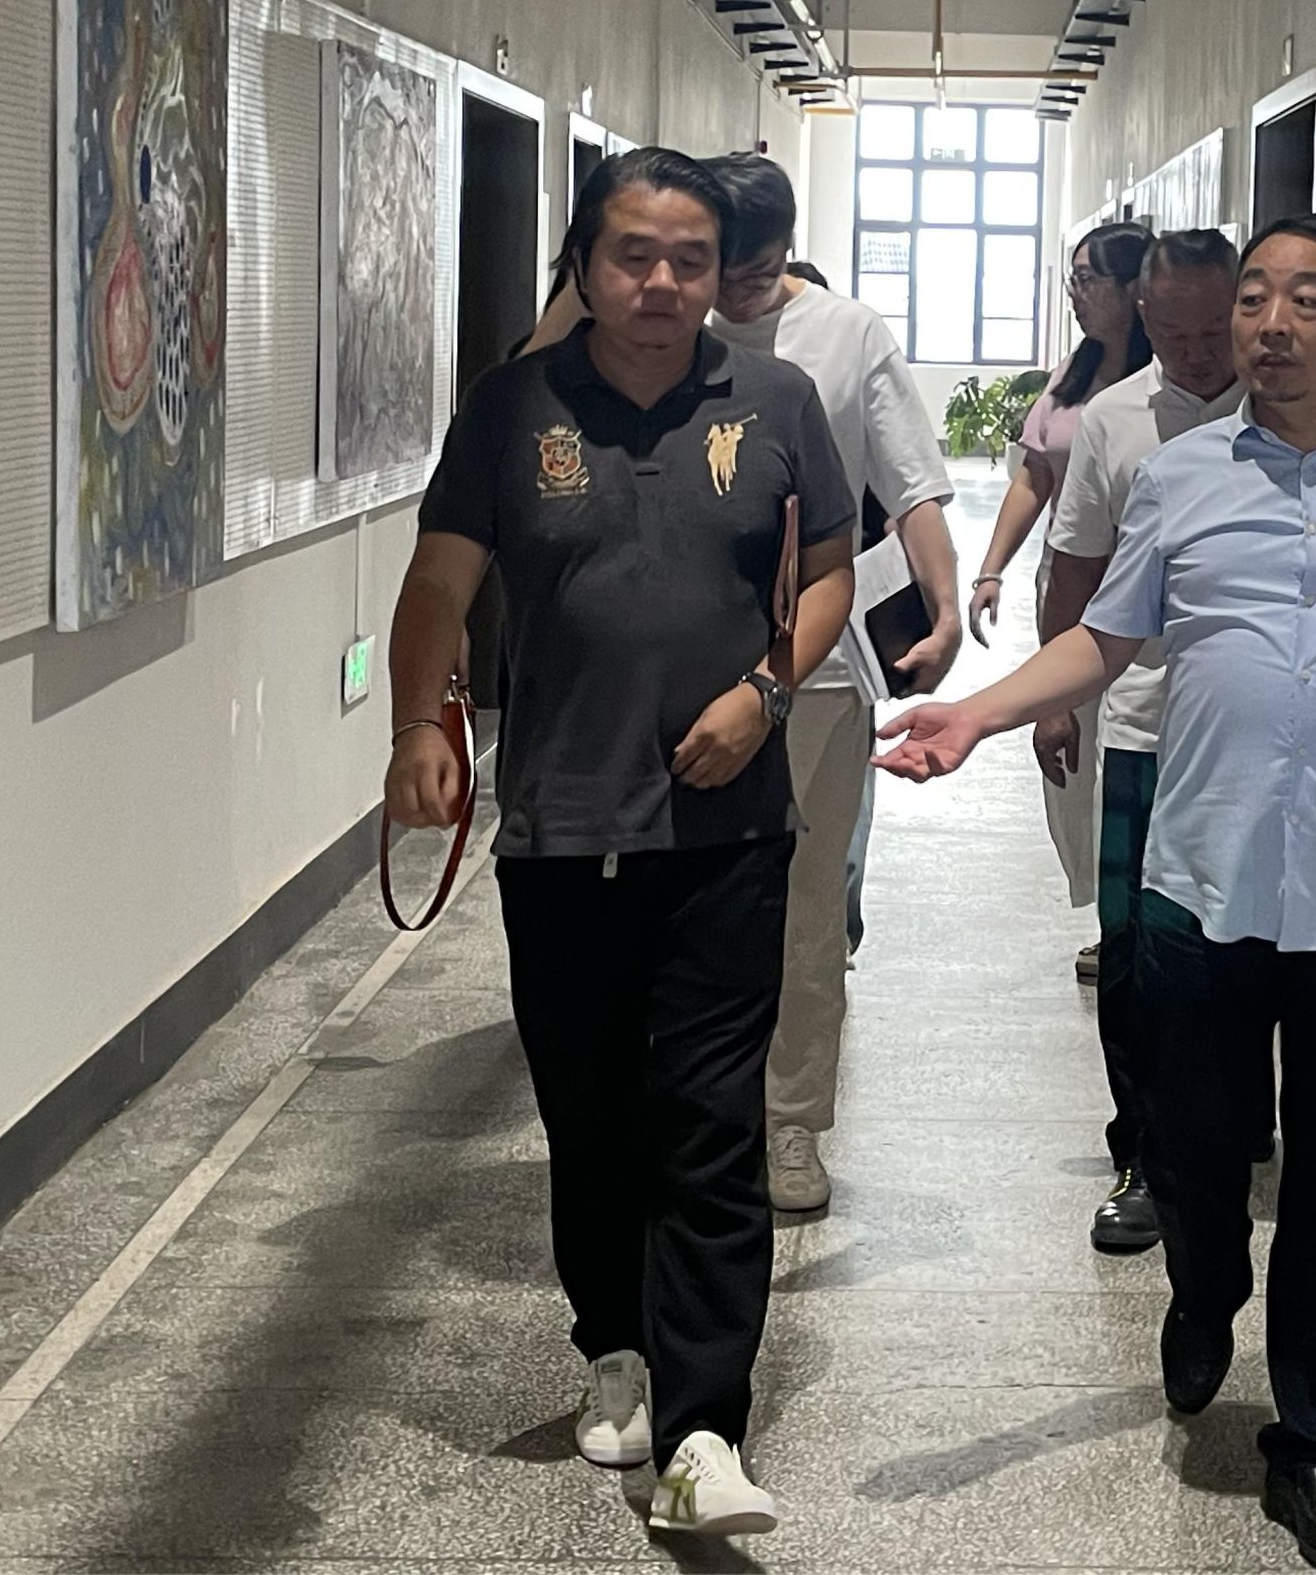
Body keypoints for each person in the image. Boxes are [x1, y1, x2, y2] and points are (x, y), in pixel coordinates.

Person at [875, 212, 1316, 1575]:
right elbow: (1104, 637)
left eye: (1306, 300)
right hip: (1200, 867)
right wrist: (978, 712)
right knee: (1196, 1143)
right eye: (1257, 298)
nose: (1270, 324)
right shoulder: (1177, 476)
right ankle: (1203, 1285)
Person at [384, 148, 855, 1540]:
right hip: (562, 823)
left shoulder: (775, 401)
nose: (660, 282)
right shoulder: (512, 406)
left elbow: (828, 571)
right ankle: (616, 1344)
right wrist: (420, 724)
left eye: (688, 259)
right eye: (633, 255)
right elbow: (437, 580)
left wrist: (765, 691)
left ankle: (707, 1426)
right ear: (584, 267)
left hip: (728, 826)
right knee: (590, 1116)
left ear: (723, 274)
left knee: (711, 1121)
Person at [706, 154, 960, 1213]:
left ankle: (791, 1121)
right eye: (721, 265)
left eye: (755, 268)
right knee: (689, 907)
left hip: (813, 667)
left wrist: (946, 604)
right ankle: (694, 1118)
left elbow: (910, 481)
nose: (735, 289)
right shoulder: (659, 326)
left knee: (806, 911)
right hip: (676, 664)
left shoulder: (848, 333)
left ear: (786, 246)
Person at [1039, 228, 1244, 1258]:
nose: (1199, 353)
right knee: (1132, 956)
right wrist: (1054, 703)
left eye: (1216, 331)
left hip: (1253, 741)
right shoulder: (1115, 421)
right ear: (1144, 316)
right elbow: (1074, 572)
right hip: (1141, 727)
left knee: (1245, 947)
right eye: (1175, 333)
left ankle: (1234, 1119)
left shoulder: (1288, 414)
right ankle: (1143, 1156)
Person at [967, 220, 1153, 958]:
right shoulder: (1074, 373)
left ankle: (1139, 919)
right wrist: (991, 568)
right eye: (1072, 279)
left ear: (1134, 289)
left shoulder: (1168, 383)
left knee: (1131, 760)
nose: (1074, 293)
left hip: (1143, 600)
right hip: (1071, 587)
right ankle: (1109, 912)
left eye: (1087, 279)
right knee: (1069, 754)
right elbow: (1034, 475)